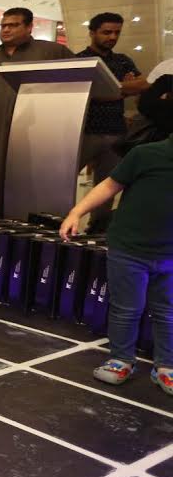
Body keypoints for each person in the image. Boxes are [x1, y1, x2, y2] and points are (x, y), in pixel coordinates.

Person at [60, 132, 172, 396]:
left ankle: (167, 365)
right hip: (128, 249)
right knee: (126, 310)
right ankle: (122, 359)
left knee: (168, 312)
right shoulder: (145, 154)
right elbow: (109, 186)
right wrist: (76, 212)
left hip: (169, 256)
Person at [0, 7, 72, 215]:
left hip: (35, 133)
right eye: (3, 25)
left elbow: (76, 78)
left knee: (28, 183)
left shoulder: (50, 52)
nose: (6, 30)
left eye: (13, 25)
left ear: (29, 27)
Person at [76, 13, 146, 233]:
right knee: (63, 181)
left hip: (115, 132)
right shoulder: (80, 60)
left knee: (107, 187)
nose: (112, 37)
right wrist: (123, 89)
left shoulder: (123, 60)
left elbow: (143, 86)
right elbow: (82, 92)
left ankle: (97, 230)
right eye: (107, 32)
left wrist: (111, 91)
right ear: (92, 32)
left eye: (117, 32)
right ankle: (60, 222)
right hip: (83, 131)